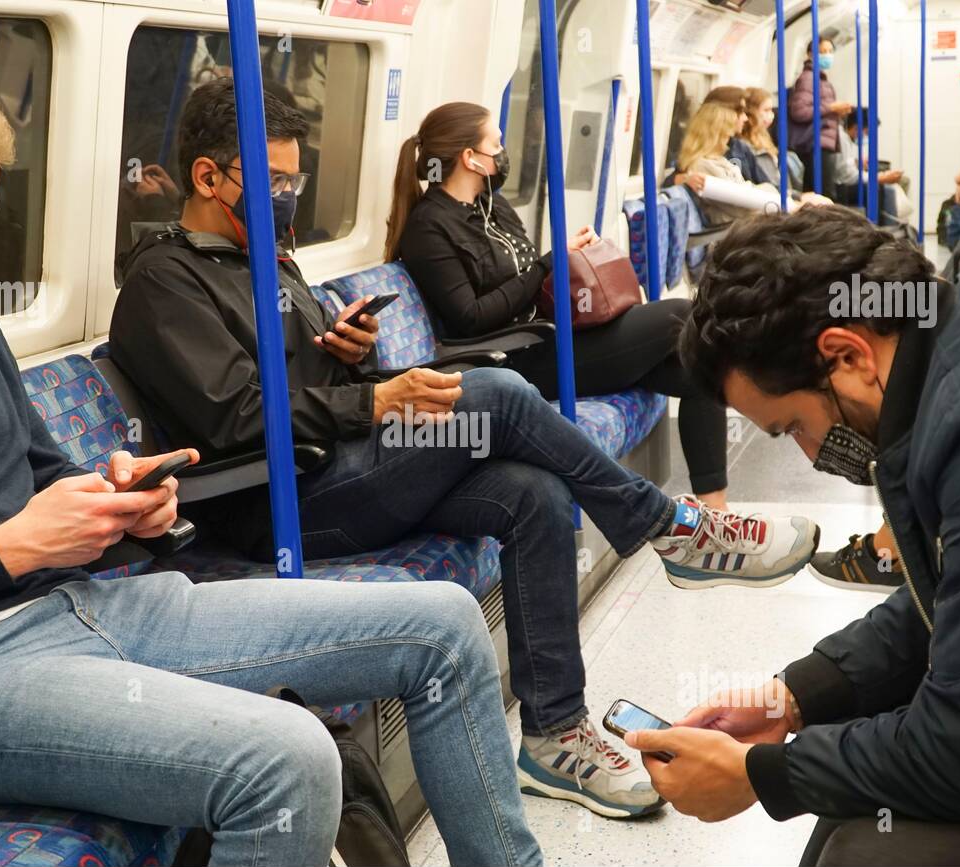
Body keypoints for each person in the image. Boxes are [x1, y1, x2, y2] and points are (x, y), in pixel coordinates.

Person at [0, 66, 546, 867]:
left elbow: (43, 468)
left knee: (445, 626)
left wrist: (115, 496)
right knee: (286, 758)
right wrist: (6, 550)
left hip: (81, 607)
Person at [110, 79, 822, 820]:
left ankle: (553, 739)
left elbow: (308, 385)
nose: (289, 196)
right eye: (276, 181)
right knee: (491, 389)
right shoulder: (165, 283)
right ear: (206, 177)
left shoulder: (274, 263)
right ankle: (669, 529)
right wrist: (376, 398)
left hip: (337, 469)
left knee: (533, 494)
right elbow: (235, 418)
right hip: (277, 505)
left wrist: (353, 358)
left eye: (294, 179)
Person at [627, 205, 960, 865]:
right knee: (853, 800)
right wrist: (796, 697)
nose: (813, 458)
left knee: (869, 856)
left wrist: (759, 776)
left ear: (848, 355)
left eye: (793, 429)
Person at [387, 101, 733, 509]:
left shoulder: (492, 207)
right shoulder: (429, 228)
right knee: (678, 314)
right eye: (496, 145)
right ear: (471, 159)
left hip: (550, 333)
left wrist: (569, 258)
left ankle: (716, 511)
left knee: (698, 374)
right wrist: (549, 262)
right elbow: (471, 318)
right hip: (513, 360)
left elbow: (530, 277)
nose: (503, 154)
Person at [675, 102, 783, 225]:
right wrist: (771, 194)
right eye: (727, 134)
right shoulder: (702, 166)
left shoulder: (718, 161)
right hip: (733, 233)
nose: (729, 140)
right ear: (717, 135)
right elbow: (741, 208)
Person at [741, 87, 830, 208]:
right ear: (750, 112)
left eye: (771, 110)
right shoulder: (744, 147)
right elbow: (766, 183)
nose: (771, 116)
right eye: (765, 110)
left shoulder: (764, 139)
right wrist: (797, 197)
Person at [788, 38, 855, 199]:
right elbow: (799, 111)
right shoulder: (808, 79)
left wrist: (836, 112)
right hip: (816, 142)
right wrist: (831, 108)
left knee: (824, 192)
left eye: (830, 51)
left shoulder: (820, 79)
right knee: (823, 193)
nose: (827, 55)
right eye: (823, 52)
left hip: (824, 141)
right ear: (810, 54)